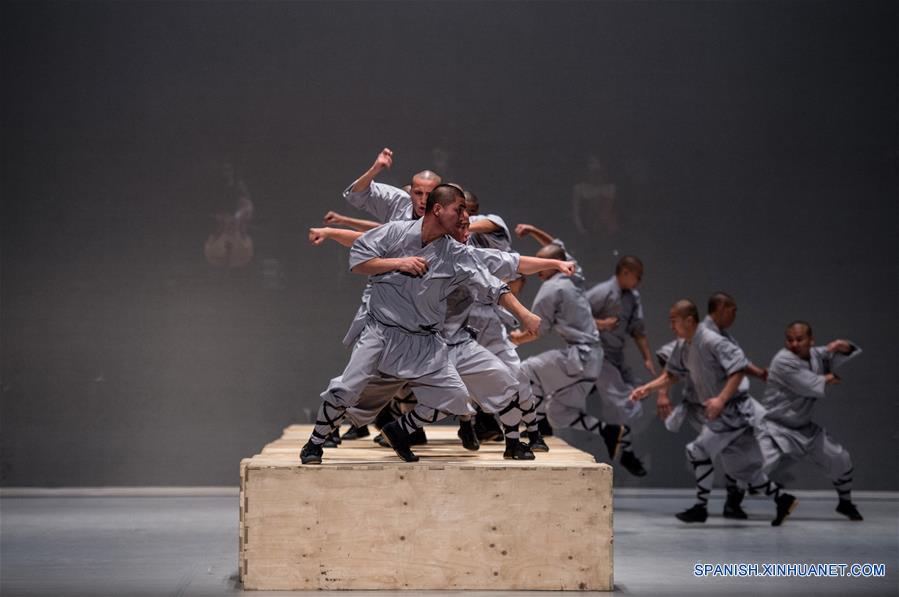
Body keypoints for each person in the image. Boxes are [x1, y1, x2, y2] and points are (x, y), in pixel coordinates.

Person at [299, 185, 541, 464]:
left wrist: (524, 314)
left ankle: (400, 430)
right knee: (348, 388)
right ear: (438, 209)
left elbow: (493, 286)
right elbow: (360, 261)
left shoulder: (457, 253)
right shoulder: (396, 232)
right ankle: (314, 444)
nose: (465, 217)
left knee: (456, 398)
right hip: (382, 333)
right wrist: (397, 263)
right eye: (459, 209)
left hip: (425, 342)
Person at [630, 300, 798, 526]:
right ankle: (783, 500)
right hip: (725, 415)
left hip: (733, 413)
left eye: (674, 321)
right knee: (745, 471)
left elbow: (737, 369)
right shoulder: (684, 345)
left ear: (689, 320)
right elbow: (672, 374)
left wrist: (721, 399)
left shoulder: (712, 340)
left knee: (698, 451)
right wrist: (648, 389)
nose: (671, 327)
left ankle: (700, 508)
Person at [509, 237, 624, 462]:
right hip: (593, 359)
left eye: (543, 262)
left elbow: (536, 330)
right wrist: (533, 231)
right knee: (559, 413)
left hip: (580, 357)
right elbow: (557, 247)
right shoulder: (574, 275)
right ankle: (608, 431)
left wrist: (514, 339)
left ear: (555, 262)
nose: (537, 265)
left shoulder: (550, 289)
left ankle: (537, 431)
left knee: (526, 370)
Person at [757, 321, 863, 521]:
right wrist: (829, 377)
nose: (794, 344)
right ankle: (733, 499)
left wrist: (843, 346)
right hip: (774, 427)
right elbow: (808, 384)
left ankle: (845, 503)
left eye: (799, 339)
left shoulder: (815, 354)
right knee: (754, 467)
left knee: (840, 459)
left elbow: (839, 352)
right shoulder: (783, 360)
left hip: (803, 427)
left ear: (811, 341)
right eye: (790, 340)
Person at [585, 256, 654, 476]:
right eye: (637, 276)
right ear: (625, 272)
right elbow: (576, 317)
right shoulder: (602, 292)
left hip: (617, 356)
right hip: (598, 356)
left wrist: (647, 358)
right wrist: (603, 324)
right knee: (625, 403)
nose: (639, 282)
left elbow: (637, 329)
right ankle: (625, 450)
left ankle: (622, 445)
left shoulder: (633, 298)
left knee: (638, 393)